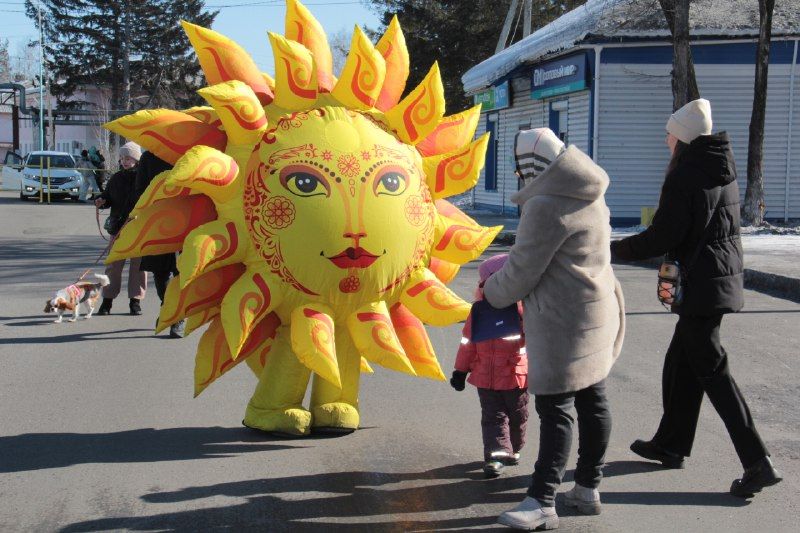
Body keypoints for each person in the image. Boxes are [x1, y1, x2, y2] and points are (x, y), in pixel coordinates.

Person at [610, 98, 782, 498]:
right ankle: (671, 443)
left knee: (713, 373)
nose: (665, 139)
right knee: (681, 361)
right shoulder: (719, 166)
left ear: (684, 138)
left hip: (702, 286)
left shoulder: (686, 174)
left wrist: (611, 249)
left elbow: (665, 235)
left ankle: (757, 461)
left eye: (669, 133)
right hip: (717, 281)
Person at [483, 128, 625, 530]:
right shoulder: (590, 190)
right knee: (594, 400)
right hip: (598, 310)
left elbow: (521, 271)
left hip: (563, 322)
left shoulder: (545, 205)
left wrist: (490, 291)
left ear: (530, 166)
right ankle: (586, 489)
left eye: (518, 166)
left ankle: (542, 501)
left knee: (555, 409)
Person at [450, 254, 528, 479]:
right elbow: (468, 343)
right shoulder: (479, 312)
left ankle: (512, 449)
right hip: (486, 376)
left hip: (516, 376)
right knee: (492, 417)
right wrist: (460, 371)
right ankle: (495, 456)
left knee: (518, 416)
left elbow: (539, 340)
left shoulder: (523, 309)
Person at [133, 150, 184, 338]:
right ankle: (167, 307)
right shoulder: (149, 157)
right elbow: (140, 189)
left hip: (187, 218)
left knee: (183, 271)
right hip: (158, 220)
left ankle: (176, 317)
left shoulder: (188, 151)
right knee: (160, 270)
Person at [95, 142, 147, 316]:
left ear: (137, 159)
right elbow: (108, 197)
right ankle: (107, 301)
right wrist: (102, 200)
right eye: (123, 158)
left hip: (138, 227)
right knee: (113, 265)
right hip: (118, 227)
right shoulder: (116, 178)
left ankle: (135, 301)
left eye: (128, 158)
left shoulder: (144, 178)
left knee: (138, 266)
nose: (125, 161)